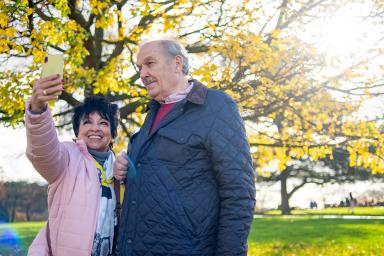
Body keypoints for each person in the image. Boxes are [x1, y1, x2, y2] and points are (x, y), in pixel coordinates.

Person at [113, 39, 256, 255]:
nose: (142, 74)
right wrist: (123, 169)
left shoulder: (216, 107)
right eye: (139, 67)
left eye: (150, 64)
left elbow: (238, 192)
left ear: (177, 63)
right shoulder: (150, 113)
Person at [25, 74, 119, 256]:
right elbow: (43, 151)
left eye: (104, 123)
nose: (95, 128)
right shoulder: (67, 157)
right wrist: (37, 112)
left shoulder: (119, 168)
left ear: (112, 133)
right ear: (77, 130)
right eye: (87, 122)